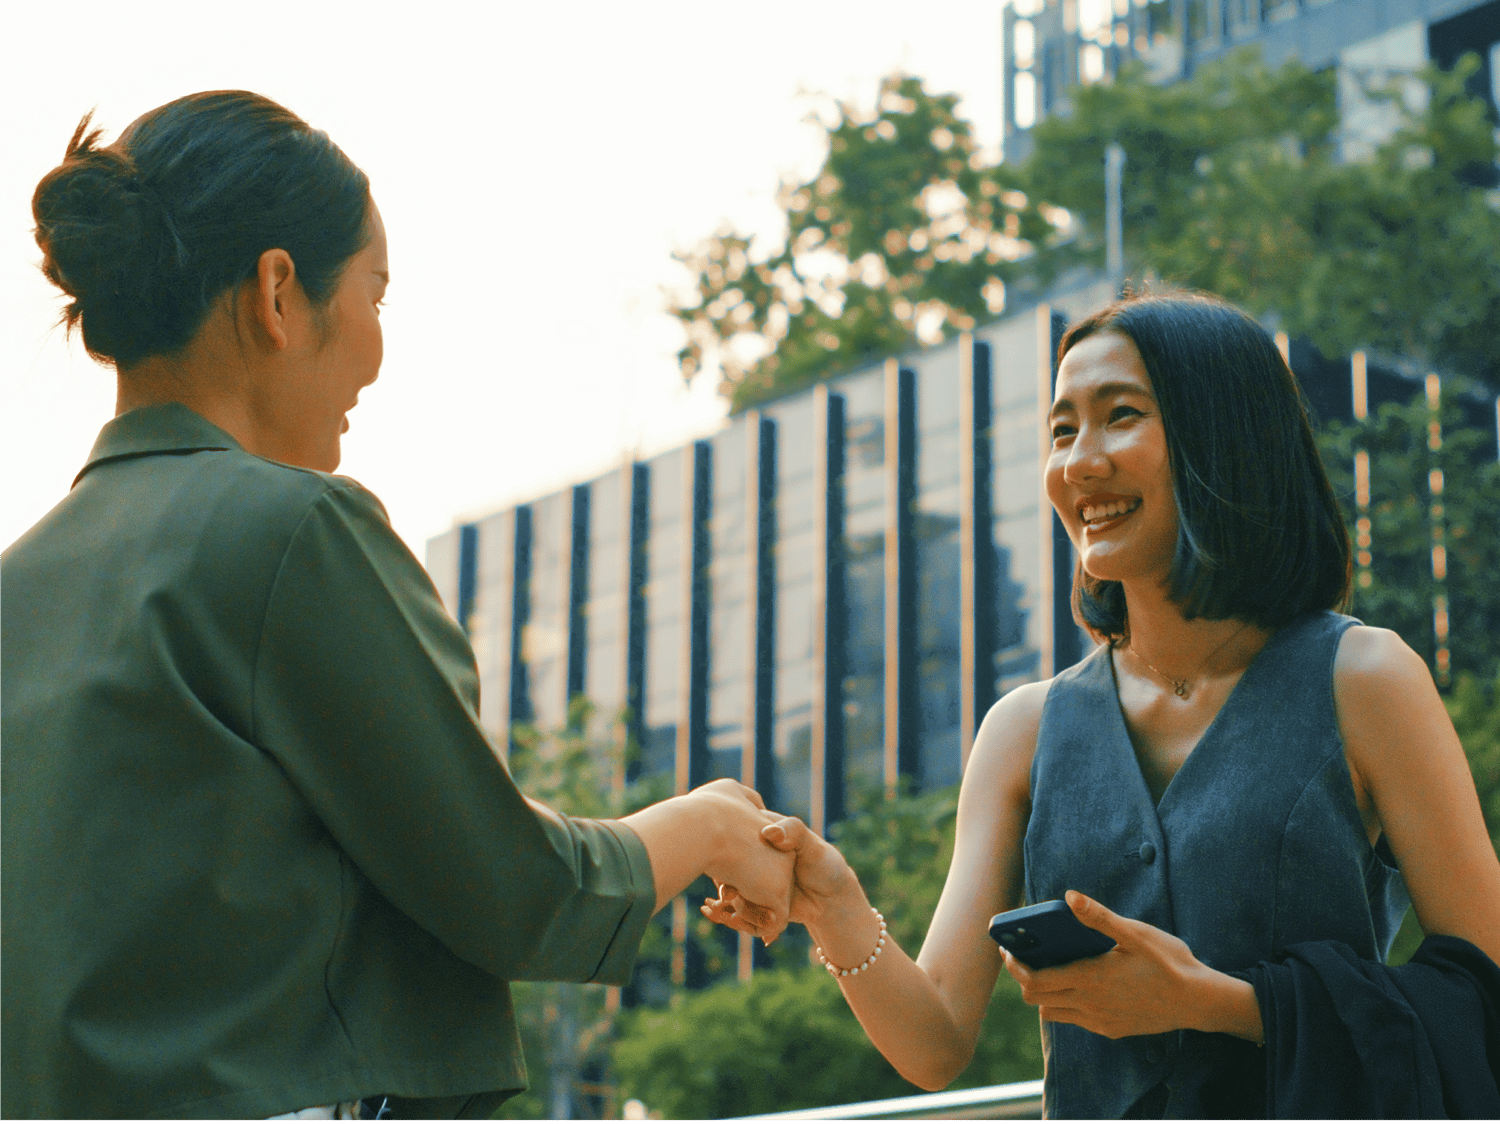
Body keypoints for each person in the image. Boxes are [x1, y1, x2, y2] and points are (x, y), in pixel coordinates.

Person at [0, 91, 793, 1121]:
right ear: (279, 291)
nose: (376, 354)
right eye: (376, 295)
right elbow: (512, 889)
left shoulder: (20, 584)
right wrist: (709, 823)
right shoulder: (290, 529)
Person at [705, 292, 1500, 1117]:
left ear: (1223, 435)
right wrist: (835, 905)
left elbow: (1484, 992)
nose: (1079, 463)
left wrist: (1222, 1004)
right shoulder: (1023, 730)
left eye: (1120, 416)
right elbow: (936, 1040)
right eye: (1061, 430)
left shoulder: (1364, 679)